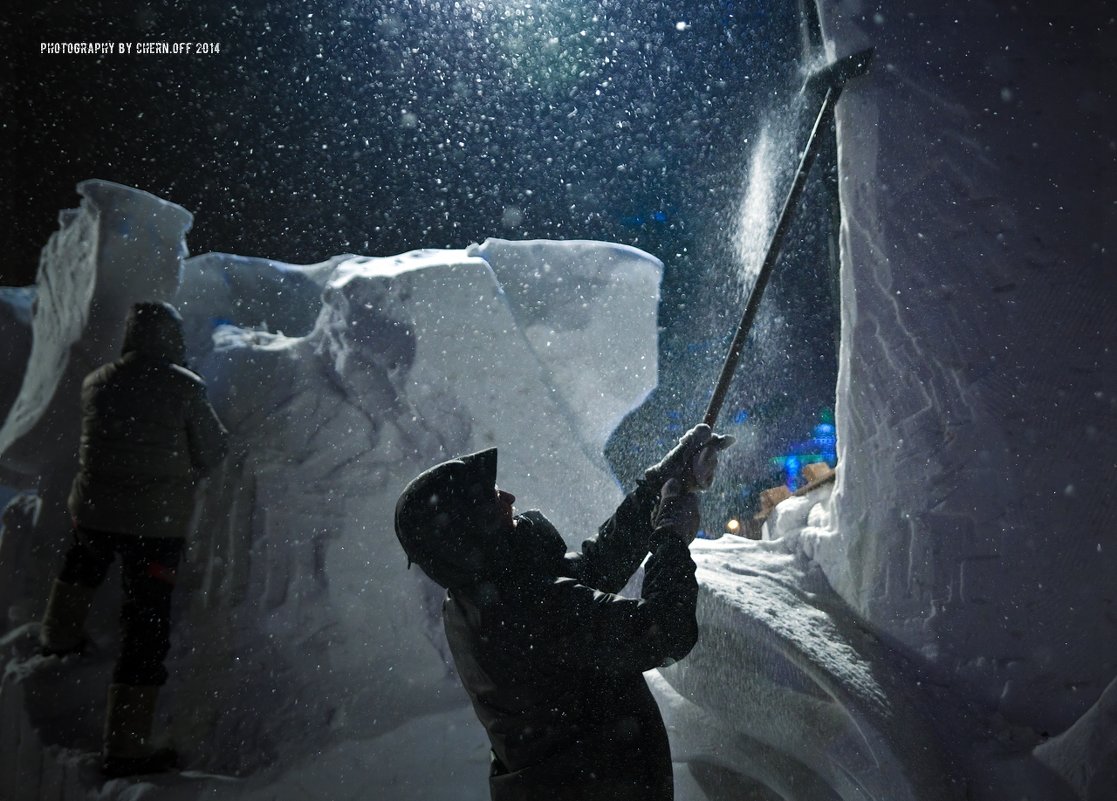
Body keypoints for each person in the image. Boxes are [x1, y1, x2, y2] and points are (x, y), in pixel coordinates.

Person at [394, 424, 732, 800]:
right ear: (473, 532)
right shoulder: (520, 611)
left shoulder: (479, 595)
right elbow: (663, 631)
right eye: (492, 500)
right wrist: (671, 538)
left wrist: (661, 481)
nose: (508, 496)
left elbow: (594, 570)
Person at [37, 301, 229, 778]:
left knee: (81, 567)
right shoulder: (185, 387)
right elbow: (212, 448)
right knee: (145, 628)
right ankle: (125, 747)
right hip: (155, 525)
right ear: (172, 337)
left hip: (95, 513)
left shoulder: (97, 381)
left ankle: (57, 639)